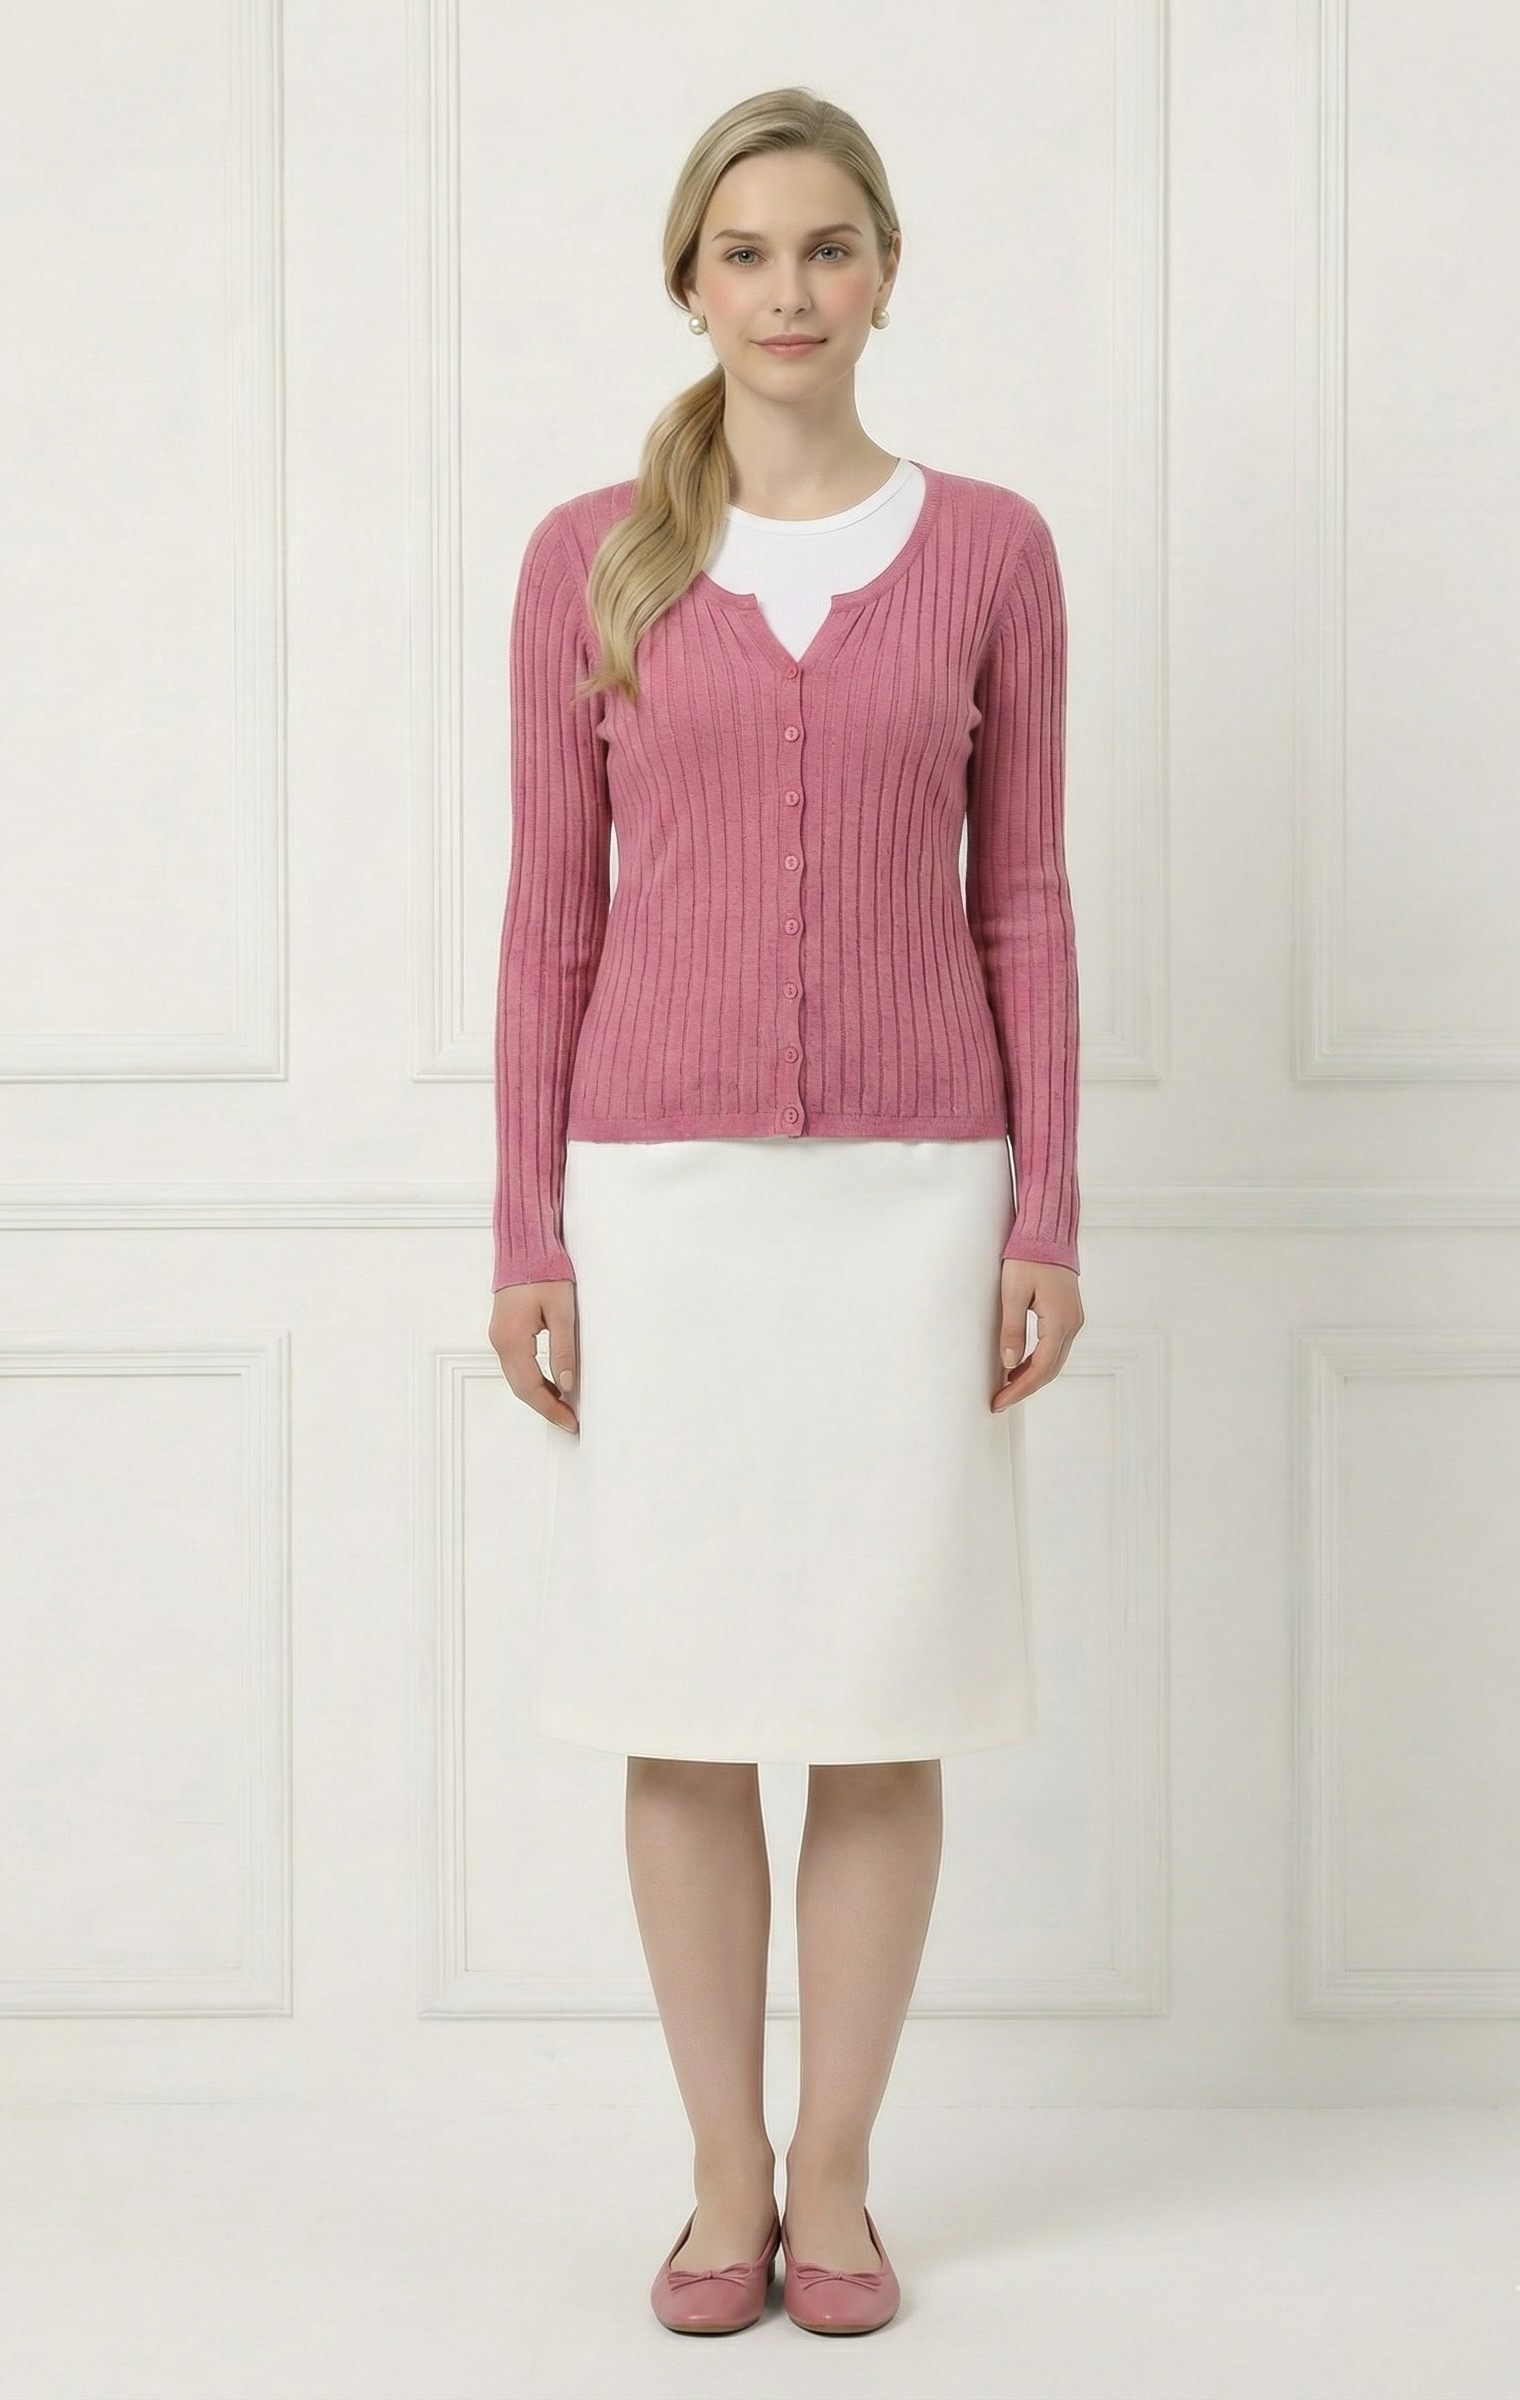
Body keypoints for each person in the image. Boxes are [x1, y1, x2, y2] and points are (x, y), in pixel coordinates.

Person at [487, 86, 1083, 2338]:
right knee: (681, 1692)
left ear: (887, 271)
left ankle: (834, 2175)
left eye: (827, 247)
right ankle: (718, 2174)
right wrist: (528, 1234)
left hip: (920, 1196)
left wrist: (1048, 1210)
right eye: (745, 252)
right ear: (690, 283)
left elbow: (1025, 896)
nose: (789, 289)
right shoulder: (591, 557)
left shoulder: (992, 550)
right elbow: (550, 914)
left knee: (880, 1695)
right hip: (663, 1198)